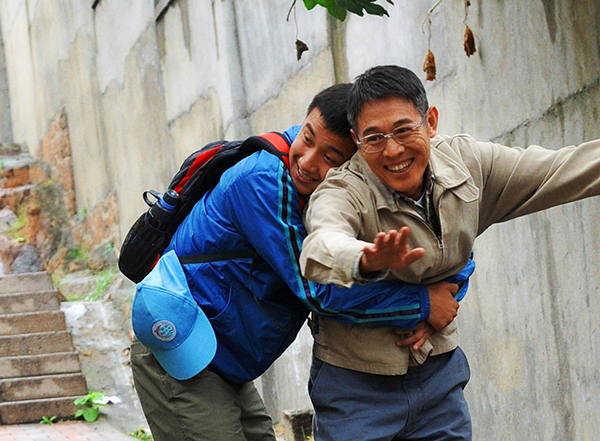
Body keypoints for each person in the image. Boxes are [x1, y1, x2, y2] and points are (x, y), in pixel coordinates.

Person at [129, 83, 469, 441]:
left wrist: (447, 296)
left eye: (330, 157)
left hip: (224, 359)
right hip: (180, 347)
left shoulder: (362, 187)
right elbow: (316, 290)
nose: (307, 161)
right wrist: (420, 305)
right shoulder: (262, 181)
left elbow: (449, 239)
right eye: (307, 139)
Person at [300, 65, 600, 441]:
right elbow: (320, 246)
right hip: (354, 388)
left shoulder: (467, 165)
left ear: (431, 121)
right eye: (373, 138)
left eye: (404, 130)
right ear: (356, 141)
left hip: (439, 377)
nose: (392, 149)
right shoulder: (344, 189)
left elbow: (562, 169)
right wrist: (365, 258)